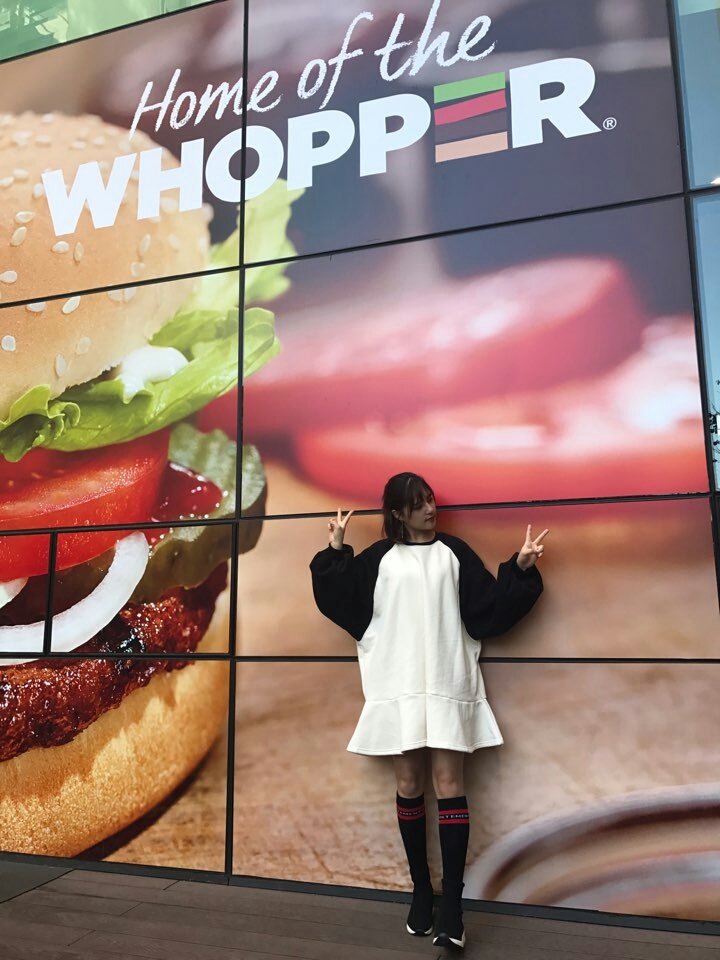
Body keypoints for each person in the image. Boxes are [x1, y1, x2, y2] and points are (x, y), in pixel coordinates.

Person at [310, 472, 547, 949]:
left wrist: (520, 568)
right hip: (397, 683)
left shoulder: (454, 553)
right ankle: (421, 890)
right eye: (418, 504)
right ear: (398, 513)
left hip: (446, 681)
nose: (430, 509)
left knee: (450, 784)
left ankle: (453, 907)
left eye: (431, 500)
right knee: (409, 784)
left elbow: (489, 610)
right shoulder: (378, 559)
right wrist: (335, 552)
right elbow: (340, 600)